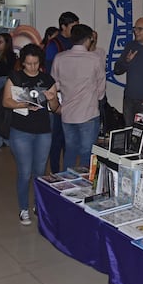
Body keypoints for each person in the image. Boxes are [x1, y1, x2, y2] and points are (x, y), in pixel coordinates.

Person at [2, 44, 59, 225]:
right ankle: (23, 208)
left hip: (43, 130)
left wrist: (52, 99)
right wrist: (24, 105)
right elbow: (6, 102)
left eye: (35, 63)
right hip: (20, 131)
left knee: (40, 172)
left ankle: (38, 205)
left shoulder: (47, 79)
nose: (32, 67)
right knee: (25, 172)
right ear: (23, 62)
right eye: (28, 63)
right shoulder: (16, 77)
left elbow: (56, 108)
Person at [51, 24, 106, 171]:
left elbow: (54, 85)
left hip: (67, 114)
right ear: (88, 40)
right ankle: (84, 188)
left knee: (70, 151)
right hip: (88, 113)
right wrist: (97, 99)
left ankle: (65, 185)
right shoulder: (94, 59)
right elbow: (101, 87)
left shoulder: (59, 58)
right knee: (86, 154)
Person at [45, 12, 79, 173]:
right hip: (57, 96)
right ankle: (55, 172)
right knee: (56, 137)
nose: (76, 29)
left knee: (70, 138)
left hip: (73, 96)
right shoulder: (53, 45)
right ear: (63, 27)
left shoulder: (76, 42)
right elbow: (49, 72)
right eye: (73, 26)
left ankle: (67, 171)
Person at [0, 33, 17, 154]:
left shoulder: (10, 56)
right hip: (0, 81)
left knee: (4, 113)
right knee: (0, 112)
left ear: (7, 43)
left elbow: (6, 69)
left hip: (5, 82)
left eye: (1, 42)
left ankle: (3, 140)